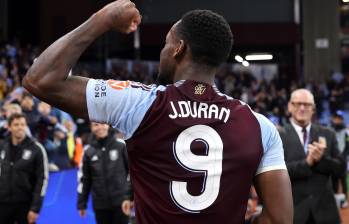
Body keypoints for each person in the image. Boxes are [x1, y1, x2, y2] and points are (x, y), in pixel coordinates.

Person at [23, 0, 293, 223]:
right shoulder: (259, 126)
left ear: (179, 48)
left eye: (166, 43)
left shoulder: (139, 102)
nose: (163, 51)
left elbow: (40, 79)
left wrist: (102, 19)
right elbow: (280, 219)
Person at [279, 89, 347, 224]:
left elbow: (340, 168)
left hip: (326, 214)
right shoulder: (278, 135)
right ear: (290, 107)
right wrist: (307, 163)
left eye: (307, 104)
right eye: (298, 104)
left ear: (313, 108)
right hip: (293, 213)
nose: (302, 108)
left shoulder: (328, 133)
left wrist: (322, 159)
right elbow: (278, 172)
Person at [77, 122, 132, 224]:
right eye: (95, 125)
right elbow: (85, 179)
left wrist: (129, 197)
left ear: (108, 125)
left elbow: (132, 172)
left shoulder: (121, 145)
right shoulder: (88, 151)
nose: (100, 127)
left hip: (122, 202)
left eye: (102, 124)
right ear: (91, 128)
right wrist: (82, 203)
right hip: (100, 205)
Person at [0, 113, 49, 224]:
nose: (20, 127)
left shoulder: (37, 148)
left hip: (25, 205)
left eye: (23, 124)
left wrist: (35, 208)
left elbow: (42, 180)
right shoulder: (2, 146)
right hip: (2, 204)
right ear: (9, 127)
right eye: (16, 124)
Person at [331, 111, 349, 208]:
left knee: (343, 180)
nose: (337, 120)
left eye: (339, 118)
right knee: (334, 180)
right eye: (336, 118)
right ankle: (336, 200)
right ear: (333, 119)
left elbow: (348, 145)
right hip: (333, 160)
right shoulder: (330, 130)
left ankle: (345, 200)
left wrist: (343, 156)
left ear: (341, 119)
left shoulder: (346, 132)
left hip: (342, 160)